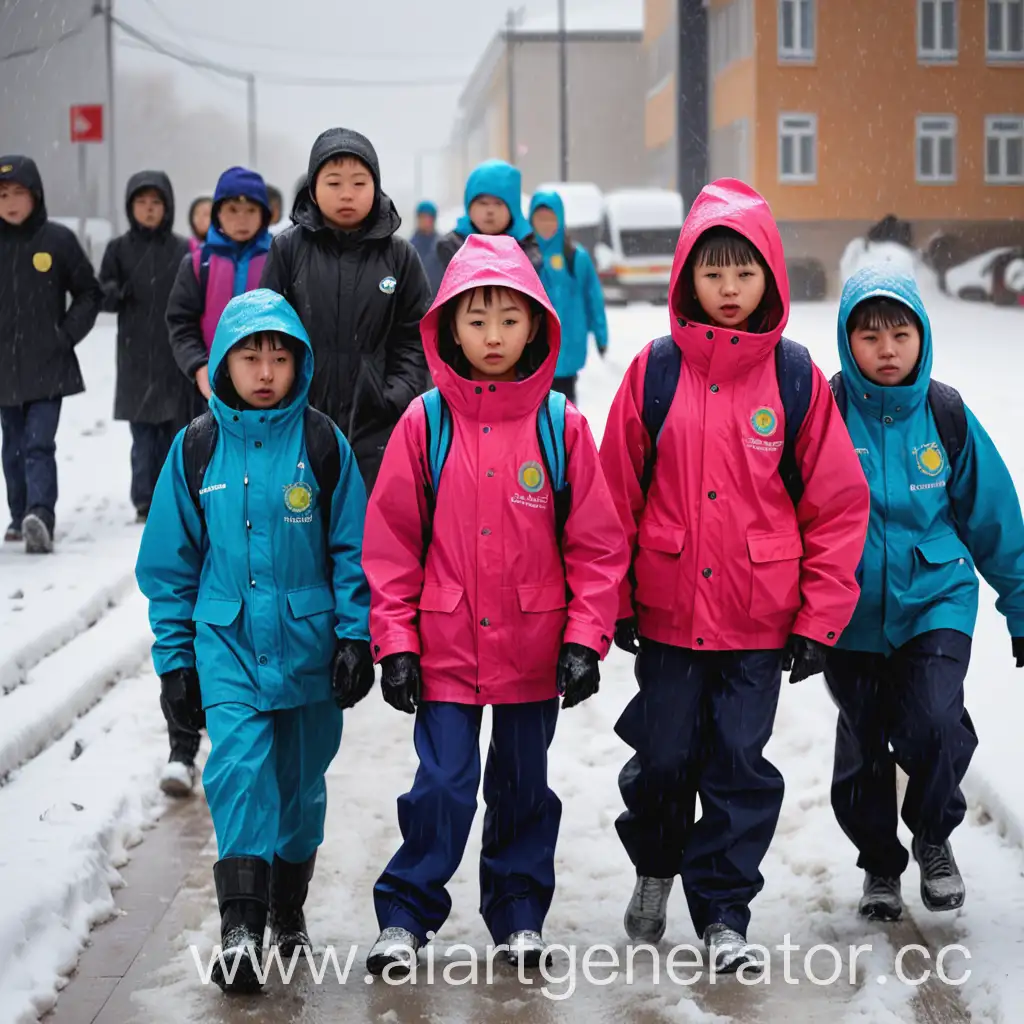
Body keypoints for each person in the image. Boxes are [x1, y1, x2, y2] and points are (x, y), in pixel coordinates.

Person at [599, 178, 870, 972]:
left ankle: (723, 909)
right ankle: (655, 863)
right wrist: (614, 601)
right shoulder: (655, 373)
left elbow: (835, 506)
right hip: (671, 616)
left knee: (738, 766)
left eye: (743, 273)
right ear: (687, 278)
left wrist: (820, 618)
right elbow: (613, 499)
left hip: (758, 619)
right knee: (664, 756)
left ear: (769, 280)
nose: (727, 288)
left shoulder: (793, 378)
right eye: (712, 273)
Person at [361, 233, 628, 975]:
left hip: (531, 647)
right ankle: (407, 913)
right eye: (476, 320)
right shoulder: (426, 423)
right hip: (443, 646)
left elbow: (597, 546)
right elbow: (389, 544)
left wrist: (585, 637)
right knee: (443, 785)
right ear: (448, 326)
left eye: (509, 320)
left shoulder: (560, 425)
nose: (492, 336)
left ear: (537, 326)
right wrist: (396, 642)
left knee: (521, 786)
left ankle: (517, 912)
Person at [135, 288, 373, 994]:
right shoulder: (195, 448)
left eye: (278, 356)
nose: (265, 370)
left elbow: (353, 550)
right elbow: (170, 566)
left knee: (298, 795)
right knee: (238, 773)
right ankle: (240, 929)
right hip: (228, 643)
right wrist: (176, 660)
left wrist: (354, 638)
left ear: (298, 363)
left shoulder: (324, 445)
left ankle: (287, 903)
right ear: (224, 363)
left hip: (308, 648)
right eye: (249, 356)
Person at [823, 266, 1024, 922]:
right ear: (846, 340)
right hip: (848, 613)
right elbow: (786, 515)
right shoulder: (823, 413)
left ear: (922, 337)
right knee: (864, 746)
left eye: (900, 334)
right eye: (870, 335)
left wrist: (1020, 608)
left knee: (934, 721)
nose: (886, 349)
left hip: (935, 598)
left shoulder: (946, 414)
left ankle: (933, 835)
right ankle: (880, 863)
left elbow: (993, 518)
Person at [260, 128, 430, 491]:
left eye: (359, 182)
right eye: (334, 182)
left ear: (376, 186)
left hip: (378, 424)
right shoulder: (288, 250)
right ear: (313, 188)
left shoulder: (400, 257)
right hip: (299, 419)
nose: (347, 194)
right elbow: (268, 331)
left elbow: (415, 336)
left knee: (369, 532)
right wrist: (284, 394)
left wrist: (396, 394)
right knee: (302, 526)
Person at [0, 156, 101, 553]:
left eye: (18, 194)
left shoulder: (57, 241)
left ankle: (40, 515)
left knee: (39, 442)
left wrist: (65, 335)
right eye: (2, 194)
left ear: (36, 196)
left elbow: (90, 292)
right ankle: (19, 513)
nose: (10, 202)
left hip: (47, 366)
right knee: (13, 446)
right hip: (4, 369)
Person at [99, 170, 193, 524]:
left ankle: (171, 495)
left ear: (167, 207)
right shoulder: (118, 249)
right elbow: (101, 295)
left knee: (175, 433)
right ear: (130, 207)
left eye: (156, 202)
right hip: (136, 355)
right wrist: (113, 292)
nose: (149, 209)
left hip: (174, 355)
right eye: (142, 202)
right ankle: (144, 498)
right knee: (142, 437)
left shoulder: (183, 249)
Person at [167, 167, 272, 416]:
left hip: (267, 388)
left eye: (251, 211)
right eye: (232, 210)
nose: (242, 219)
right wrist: (198, 366)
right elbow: (181, 323)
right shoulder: (197, 263)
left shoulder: (278, 260)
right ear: (217, 214)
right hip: (209, 390)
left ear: (264, 215)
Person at [528, 190, 608, 404]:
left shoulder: (575, 257)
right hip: (533, 350)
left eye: (551, 218)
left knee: (564, 408)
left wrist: (601, 335)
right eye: (540, 218)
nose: (546, 224)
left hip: (568, 348)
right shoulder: (524, 255)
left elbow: (593, 296)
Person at [436, 159, 538, 272]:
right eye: (483, 203)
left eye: (498, 204)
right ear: (469, 207)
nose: (490, 211)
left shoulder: (530, 249)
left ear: (513, 209)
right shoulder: (452, 248)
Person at [409, 199, 443, 296]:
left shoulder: (442, 245)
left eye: (429, 217)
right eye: (422, 217)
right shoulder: (409, 247)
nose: (426, 221)